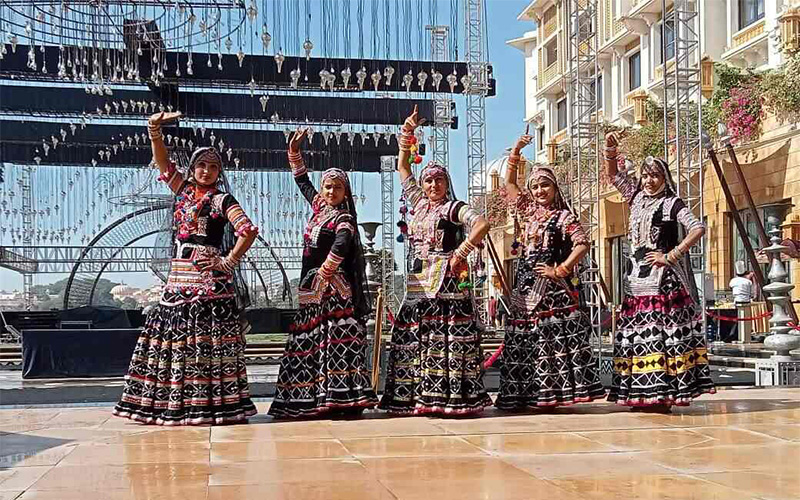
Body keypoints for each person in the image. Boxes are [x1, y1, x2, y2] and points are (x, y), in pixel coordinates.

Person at [114, 111, 258, 425]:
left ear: (219, 172)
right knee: (174, 338)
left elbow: (248, 231)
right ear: (192, 168)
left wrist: (227, 261)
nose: (207, 171)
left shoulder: (222, 200)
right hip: (178, 277)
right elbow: (164, 165)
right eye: (201, 165)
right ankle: (169, 404)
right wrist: (154, 130)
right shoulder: (183, 191)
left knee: (206, 341)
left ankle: (210, 405)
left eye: (213, 167)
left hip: (209, 281)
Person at [379, 106, 493, 415]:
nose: (432, 185)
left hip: (447, 284)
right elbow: (403, 167)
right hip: (419, 282)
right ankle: (415, 397)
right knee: (412, 336)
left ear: (446, 182)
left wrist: (460, 253)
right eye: (428, 181)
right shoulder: (418, 204)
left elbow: (481, 224)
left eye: (438, 180)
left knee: (447, 335)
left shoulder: (453, 207)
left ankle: (448, 397)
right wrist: (407, 133)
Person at [268, 128, 378, 418]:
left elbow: (342, 243)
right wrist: (294, 153)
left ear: (345, 192)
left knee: (334, 340)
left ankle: (340, 398)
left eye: (337, 188)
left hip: (334, 289)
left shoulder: (344, 217)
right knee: (309, 339)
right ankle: (307, 398)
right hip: (311, 288)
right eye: (327, 187)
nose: (331, 192)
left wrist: (326, 271)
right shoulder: (319, 208)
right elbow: (302, 181)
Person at [604, 132, 715, 412]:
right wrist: (610, 150)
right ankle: (641, 395)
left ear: (664, 178)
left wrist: (670, 256)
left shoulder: (671, 203)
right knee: (637, 338)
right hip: (636, 282)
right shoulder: (636, 197)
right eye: (645, 175)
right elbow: (613, 176)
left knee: (663, 338)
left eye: (655, 175)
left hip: (663, 284)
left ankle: (663, 395)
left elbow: (698, 228)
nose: (649, 180)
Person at [494, 133, 605, 410]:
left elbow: (582, 243)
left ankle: (551, 395)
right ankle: (524, 394)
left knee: (550, 342)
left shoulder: (564, 217)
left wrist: (561, 269)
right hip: (525, 287)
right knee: (524, 340)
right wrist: (516, 151)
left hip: (552, 292)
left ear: (555, 188)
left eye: (545, 185)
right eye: (535, 187)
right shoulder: (529, 212)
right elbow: (509, 185)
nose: (540, 191)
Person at [730, 260, 755, 343]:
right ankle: (745, 336)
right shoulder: (748, 282)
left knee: (738, 320)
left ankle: (737, 336)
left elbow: (731, 286)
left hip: (737, 301)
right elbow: (752, 293)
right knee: (745, 320)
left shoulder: (733, 281)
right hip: (746, 301)